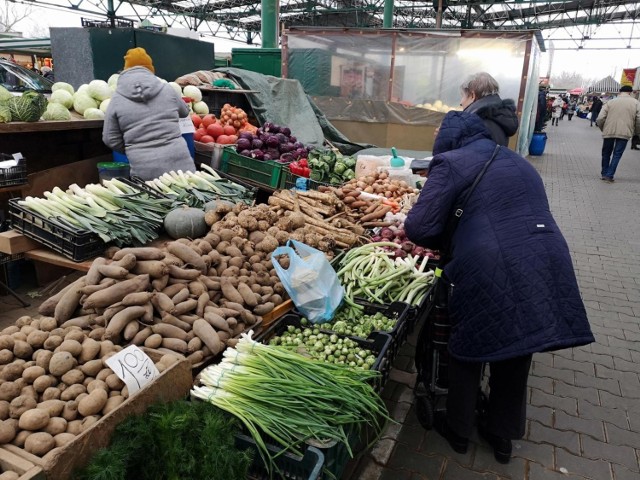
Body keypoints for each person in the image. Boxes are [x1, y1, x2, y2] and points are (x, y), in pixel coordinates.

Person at [404, 110, 594, 465]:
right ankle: (501, 436)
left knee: (468, 344)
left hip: (489, 263)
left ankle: (459, 430)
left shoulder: (451, 162)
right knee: (517, 345)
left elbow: (418, 228)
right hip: (546, 256)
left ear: (447, 138)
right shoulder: (516, 161)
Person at [102, 47, 196, 180]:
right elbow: (184, 111)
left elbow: (109, 138)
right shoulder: (167, 90)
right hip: (181, 166)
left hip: (145, 171)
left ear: (125, 70)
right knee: (189, 199)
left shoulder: (116, 99)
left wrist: (133, 148)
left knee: (154, 200)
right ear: (150, 70)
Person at [458, 72, 518, 147]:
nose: (461, 102)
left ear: (473, 96)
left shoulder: (476, 125)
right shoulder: (500, 117)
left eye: (463, 96)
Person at [596, 85, 640, 182]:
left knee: (606, 153)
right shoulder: (636, 103)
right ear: (630, 92)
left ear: (620, 92)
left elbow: (599, 118)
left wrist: (604, 128)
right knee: (617, 154)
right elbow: (638, 120)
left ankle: (604, 173)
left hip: (609, 131)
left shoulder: (610, 102)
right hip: (625, 132)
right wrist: (636, 132)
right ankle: (609, 175)